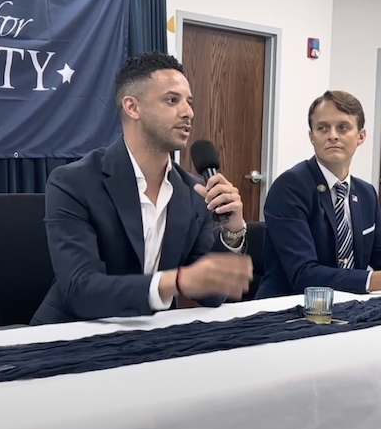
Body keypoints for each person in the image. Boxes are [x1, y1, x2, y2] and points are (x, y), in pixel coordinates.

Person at [30, 52, 252, 324]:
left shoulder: (193, 191)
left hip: (149, 338)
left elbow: (211, 295)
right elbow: (80, 289)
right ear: (132, 107)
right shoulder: (73, 182)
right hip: (72, 334)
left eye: (189, 102)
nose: (188, 112)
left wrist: (232, 232)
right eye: (172, 100)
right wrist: (174, 282)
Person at [256, 91, 381, 299]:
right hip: (288, 310)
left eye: (342, 127)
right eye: (322, 128)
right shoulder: (290, 187)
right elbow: (303, 274)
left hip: (350, 306)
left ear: (361, 136)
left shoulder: (365, 192)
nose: (332, 135)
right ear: (311, 136)